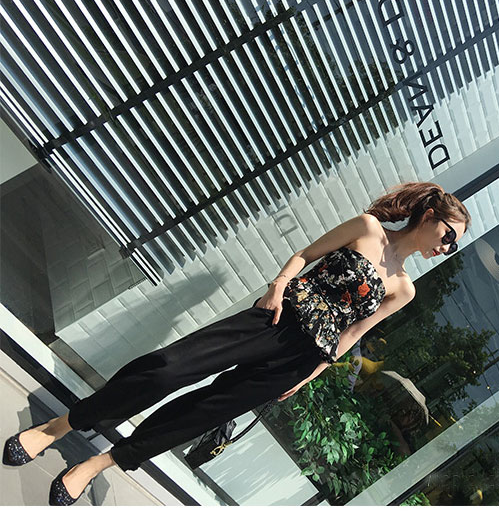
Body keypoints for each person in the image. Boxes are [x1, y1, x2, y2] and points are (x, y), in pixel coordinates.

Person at [3, 181, 470, 506]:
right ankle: (63, 425)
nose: (445, 247)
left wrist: (309, 375)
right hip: (274, 319)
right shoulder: (368, 228)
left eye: (452, 246)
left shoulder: (404, 289)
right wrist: (278, 285)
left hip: (300, 359)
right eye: (447, 235)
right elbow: (306, 254)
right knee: (168, 369)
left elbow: (352, 335)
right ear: (429, 216)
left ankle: (102, 463)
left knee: (203, 412)